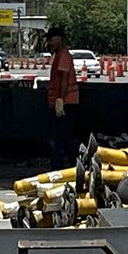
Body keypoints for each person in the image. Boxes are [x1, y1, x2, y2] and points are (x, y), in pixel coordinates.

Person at [45, 26, 78, 169]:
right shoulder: (59, 55)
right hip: (63, 102)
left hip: (66, 102)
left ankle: (60, 167)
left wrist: (60, 99)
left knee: (58, 138)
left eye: (51, 40)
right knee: (63, 137)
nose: (49, 43)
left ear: (59, 39)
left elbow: (64, 78)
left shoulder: (63, 55)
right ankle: (68, 164)